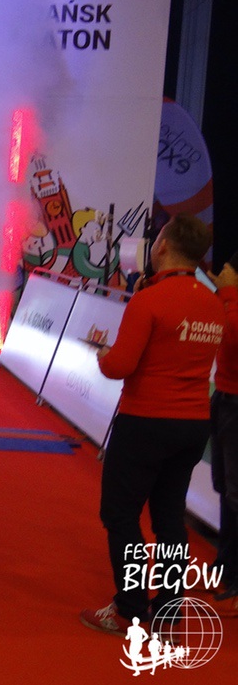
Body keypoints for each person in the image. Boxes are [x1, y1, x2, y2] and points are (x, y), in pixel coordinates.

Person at [81, 214, 224, 635]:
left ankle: (129, 608)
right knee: (169, 519)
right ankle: (168, 611)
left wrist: (102, 355)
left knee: (121, 514)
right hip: (192, 423)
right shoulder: (213, 303)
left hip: (145, 421)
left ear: (162, 246)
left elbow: (120, 366)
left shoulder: (150, 301)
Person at [207, 252, 238, 614]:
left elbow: (231, 341)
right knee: (224, 486)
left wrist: (228, 295)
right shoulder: (229, 302)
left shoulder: (232, 303)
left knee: (234, 491)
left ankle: (233, 572)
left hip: (234, 401)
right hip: (224, 395)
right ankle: (226, 564)